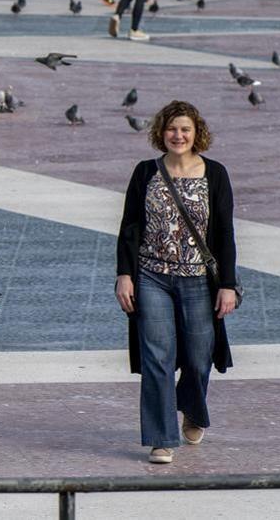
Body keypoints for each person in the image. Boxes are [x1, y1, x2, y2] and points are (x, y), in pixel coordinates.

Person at [115, 101, 239, 465]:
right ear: (161, 133)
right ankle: (162, 438)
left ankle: (193, 410)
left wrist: (227, 284)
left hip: (199, 279)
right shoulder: (145, 173)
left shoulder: (215, 174)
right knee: (158, 357)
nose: (178, 135)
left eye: (185, 129)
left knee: (200, 358)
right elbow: (128, 228)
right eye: (172, 129)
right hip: (152, 276)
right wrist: (124, 274)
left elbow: (224, 234)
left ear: (196, 132)